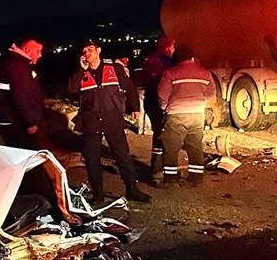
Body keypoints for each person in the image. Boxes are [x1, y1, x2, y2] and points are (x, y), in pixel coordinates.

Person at [67, 39, 151, 204]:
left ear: (98, 51)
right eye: (84, 51)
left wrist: (134, 107)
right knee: (92, 159)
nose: (87, 53)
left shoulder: (114, 68)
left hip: (112, 118)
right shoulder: (81, 72)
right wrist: (81, 70)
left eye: (90, 50)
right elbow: (70, 89)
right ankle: (98, 193)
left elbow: (130, 88)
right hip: (90, 120)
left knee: (123, 156)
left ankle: (132, 189)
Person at [156, 45, 213, 186]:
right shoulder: (205, 73)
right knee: (195, 147)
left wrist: (165, 107)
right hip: (197, 114)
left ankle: (170, 179)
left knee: (171, 148)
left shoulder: (170, 73)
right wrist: (201, 103)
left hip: (176, 114)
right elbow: (211, 93)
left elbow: (162, 94)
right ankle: (196, 178)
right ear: (192, 58)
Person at [0, 36, 45, 149]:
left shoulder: (7, 64)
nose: (40, 55)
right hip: (16, 123)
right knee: (29, 152)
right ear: (28, 50)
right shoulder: (19, 68)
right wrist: (30, 123)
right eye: (38, 51)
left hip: (5, 120)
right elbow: (22, 97)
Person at [138, 35, 176, 178]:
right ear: (167, 47)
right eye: (172, 46)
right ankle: (160, 170)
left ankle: (156, 167)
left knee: (158, 133)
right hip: (160, 102)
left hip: (150, 101)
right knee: (164, 135)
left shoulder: (149, 60)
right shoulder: (166, 61)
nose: (173, 49)